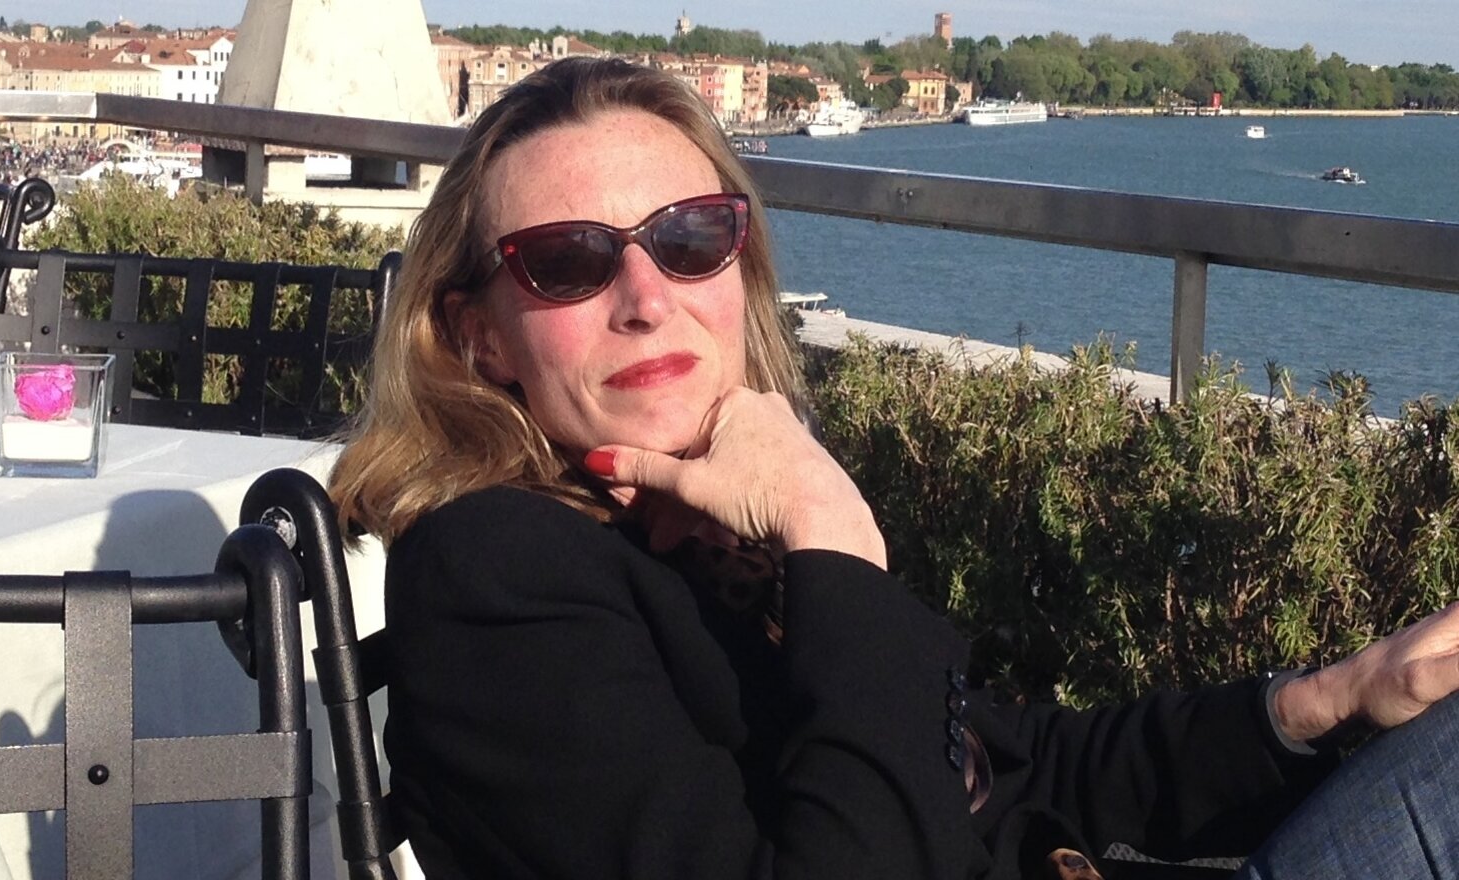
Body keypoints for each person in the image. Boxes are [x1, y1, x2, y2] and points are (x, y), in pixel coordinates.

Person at [328, 57, 1459, 879]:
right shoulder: (497, 576)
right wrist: (831, 530)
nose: (647, 295)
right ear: (478, 335)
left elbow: (1023, 765)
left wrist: (1329, 699)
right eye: (568, 261)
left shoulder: (703, 540)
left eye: (689, 236)